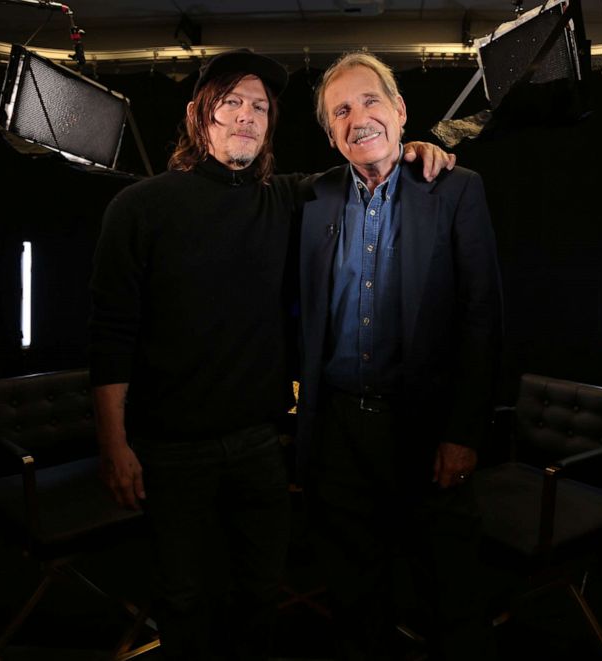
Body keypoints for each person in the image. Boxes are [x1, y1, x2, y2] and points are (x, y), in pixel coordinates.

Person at [88, 49, 454, 660]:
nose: (246, 117)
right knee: (182, 597)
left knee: (259, 592)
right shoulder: (140, 208)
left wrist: (415, 150)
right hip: (171, 449)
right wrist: (114, 444)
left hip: (261, 444)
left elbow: (363, 165)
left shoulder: (287, 199)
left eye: (259, 107)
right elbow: (110, 335)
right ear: (197, 116)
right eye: (230, 102)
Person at [296, 52, 504, 660]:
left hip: (426, 430)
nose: (358, 118)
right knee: (356, 600)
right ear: (331, 134)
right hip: (337, 434)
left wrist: (463, 431)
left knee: (451, 599)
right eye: (341, 110)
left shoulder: (456, 189)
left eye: (370, 102)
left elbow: (482, 318)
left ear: (400, 110)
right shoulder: (309, 199)